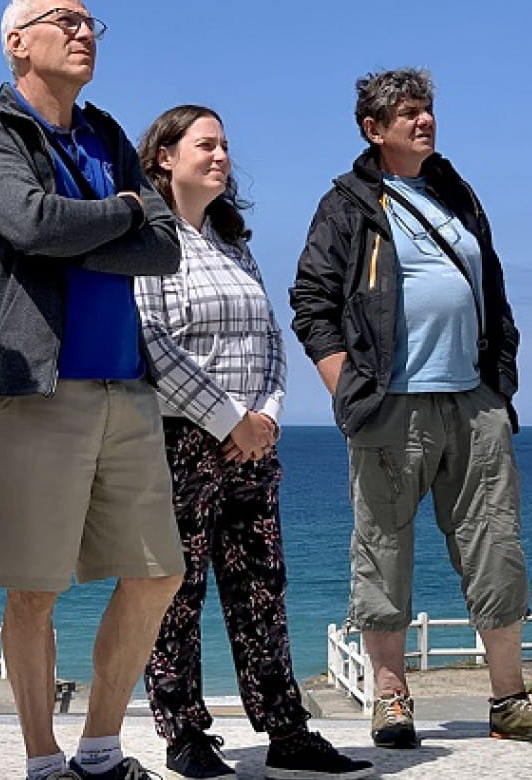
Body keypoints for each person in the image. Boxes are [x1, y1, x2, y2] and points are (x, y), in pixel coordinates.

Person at [289, 68, 532, 751]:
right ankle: (391, 698)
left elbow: (492, 287)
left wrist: (497, 383)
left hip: (473, 402)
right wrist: (348, 389)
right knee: (382, 552)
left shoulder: (455, 191)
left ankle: (508, 698)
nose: (425, 121)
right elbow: (312, 304)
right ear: (374, 128)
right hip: (389, 407)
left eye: (428, 110)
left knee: (496, 547)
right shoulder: (349, 203)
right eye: (410, 113)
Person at [0, 2, 185, 779]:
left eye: (90, 23)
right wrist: (124, 212)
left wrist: (92, 231)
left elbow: (167, 248)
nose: (84, 32)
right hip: (33, 393)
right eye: (65, 18)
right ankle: (44, 763)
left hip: (127, 388)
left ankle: (101, 752)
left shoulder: (108, 134)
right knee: (34, 592)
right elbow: (31, 223)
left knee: (157, 573)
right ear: (17, 42)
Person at [133, 106, 375, 780]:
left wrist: (265, 417)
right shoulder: (144, 242)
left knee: (262, 590)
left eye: (224, 146)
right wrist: (224, 419)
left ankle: (288, 733)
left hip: (253, 447)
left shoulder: (234, 243)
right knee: (175, 594)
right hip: (179, 441)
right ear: (163, 157)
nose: (220, 156)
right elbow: (150, 342)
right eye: (205, 145)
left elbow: (270, 338)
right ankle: (184, 734)